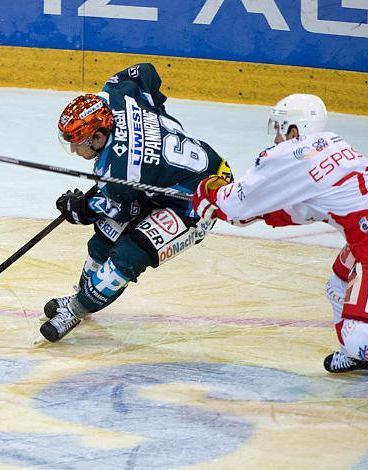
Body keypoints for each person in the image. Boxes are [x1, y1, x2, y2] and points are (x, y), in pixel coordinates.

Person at [191, 93, 368, 412]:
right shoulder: (329, 143)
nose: (277, 136)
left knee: (356, 330)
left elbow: (233, 202)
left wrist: (206, 194)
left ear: (296, 129)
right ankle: (359, 353)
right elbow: (305, 208)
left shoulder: (291, 155)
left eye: (281, 128)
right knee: (339, 282)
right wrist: (254, 214)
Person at [38, 63, 232, 344]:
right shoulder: (116, 94)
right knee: (103, 239)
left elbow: (126, 207)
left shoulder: (117, 173)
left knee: (129, 256)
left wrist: (80, 210)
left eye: (77, 142)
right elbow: (146, 73)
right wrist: (157, 117)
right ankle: (82, 294)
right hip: (161, 180)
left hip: (198, 199)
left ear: (98, 136)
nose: (72, 148)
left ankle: (76, 310)